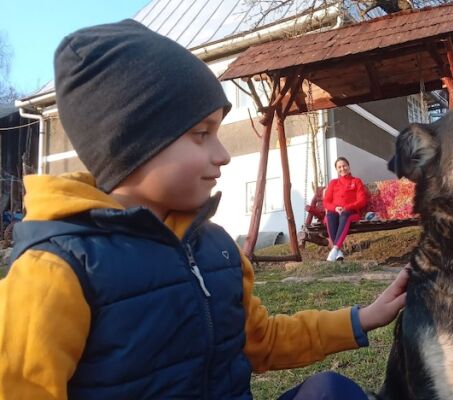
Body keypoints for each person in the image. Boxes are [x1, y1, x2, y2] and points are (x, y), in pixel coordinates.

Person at [0, 20, 409, 400]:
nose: (224, 154)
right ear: (131, 142)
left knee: (329, 393)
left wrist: (362, 318)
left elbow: (261, 342)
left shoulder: (216, 247)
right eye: (201, 135)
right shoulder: (55, 271)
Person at [323, 157, 368, 262]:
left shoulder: (356, 181)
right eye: (339, 167)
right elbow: (326, 202)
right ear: (336, 169)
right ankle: (338, 253)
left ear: (349, 167)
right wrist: (335, 208)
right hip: (335, 212)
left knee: (344, 215)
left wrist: (346, 207)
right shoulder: (333, 183)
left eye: (344, 166)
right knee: (329, 216)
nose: (342, 169)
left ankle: (335, 249)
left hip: (351, 212)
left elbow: (362, 201)